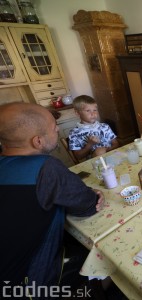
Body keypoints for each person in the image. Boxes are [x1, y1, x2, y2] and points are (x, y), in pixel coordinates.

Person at [0, 103, 104, 291]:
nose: (57, 129)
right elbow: (89, 205)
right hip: (27, 282)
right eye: (53, 127)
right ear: (37, 141)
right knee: (100, 251)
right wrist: (95, 195)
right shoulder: (46, 168)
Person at [69, 95, 119, 161]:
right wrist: (90, 144)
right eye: (88, 111)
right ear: (78, 113)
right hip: (94, 166)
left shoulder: (104, 126)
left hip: (113, 159)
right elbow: (78, 156)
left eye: (95, 110)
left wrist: (106, 149)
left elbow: (116, 144)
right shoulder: (74, 133)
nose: (93, 113)